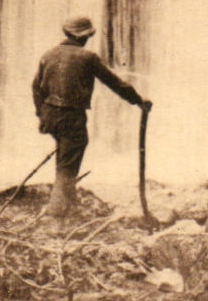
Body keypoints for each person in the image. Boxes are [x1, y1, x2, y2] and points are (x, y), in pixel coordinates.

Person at [31, 15, 150, 217]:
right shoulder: (87, 57)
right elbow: (114, 82)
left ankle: (68, 201)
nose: (88, 39)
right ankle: (57, 211)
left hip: (50, 113)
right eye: (87, 36)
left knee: (65, 154)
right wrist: (138, 100)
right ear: (83, 36)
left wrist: (41, 114)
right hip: (71, 115)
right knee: (69, 159)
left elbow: (36, 87)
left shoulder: (48, 54)